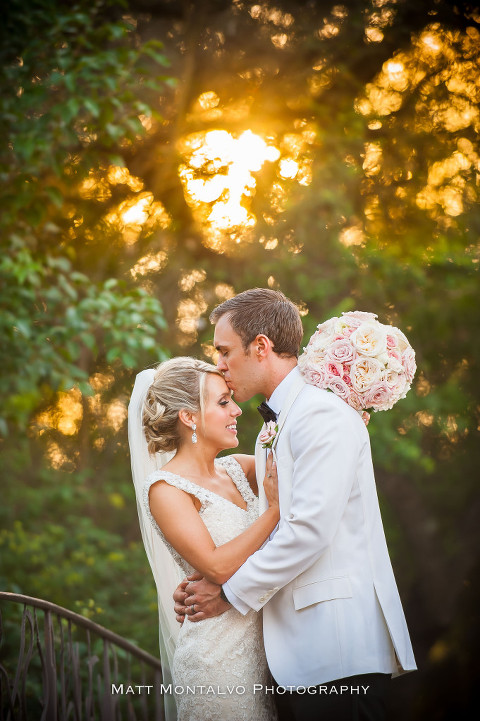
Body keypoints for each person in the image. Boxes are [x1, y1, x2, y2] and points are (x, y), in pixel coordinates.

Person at [173, 288, 417, 721]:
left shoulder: (321, 415)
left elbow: (308, 531)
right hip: (298, 659)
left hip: (337, 653)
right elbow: (262, 519)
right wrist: (203, 579)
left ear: (261, 347)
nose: (220, 366)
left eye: (225, 351)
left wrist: (227, 593)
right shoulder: (275, 425)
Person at [128, 357, 279, 721]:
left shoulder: (239, 468)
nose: (238, 410)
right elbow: (217, 565)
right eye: (223, 402)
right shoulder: (166, 489)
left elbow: (299, 456)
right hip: (216, 662)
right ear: (189, 417)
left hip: (271, 658)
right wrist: (272, 510)